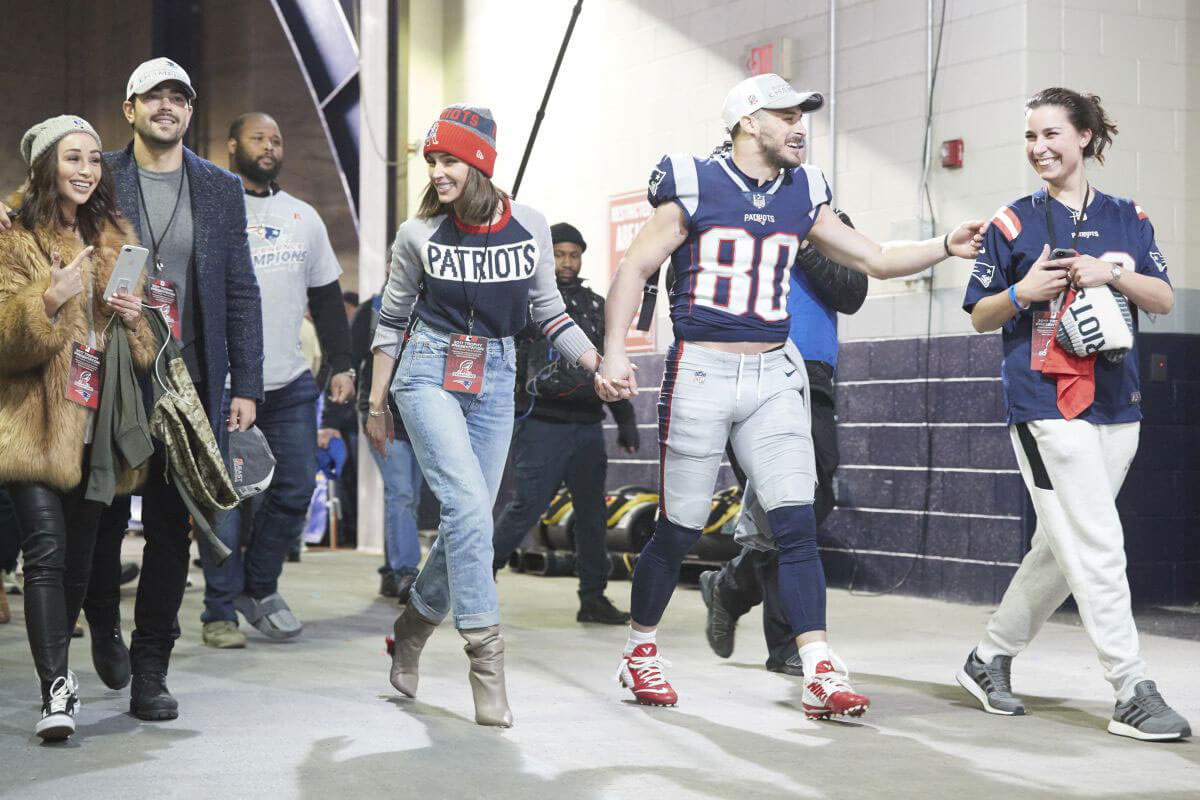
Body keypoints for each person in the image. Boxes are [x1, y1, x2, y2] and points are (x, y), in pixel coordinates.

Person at [598, 73, 984, 717]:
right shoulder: (695, 180)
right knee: (679, 527)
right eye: (786, 114)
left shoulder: (804, 191)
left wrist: (945, 246)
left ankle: (819, 669)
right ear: (750, 121)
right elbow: (635, 267)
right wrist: (614, 348)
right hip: (701, 369)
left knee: (797, 523)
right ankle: (640, 651)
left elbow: (875, 260)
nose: (801, 125)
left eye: (803, 114)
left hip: (777, 374)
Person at [956, 87, 1188, 741]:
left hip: (1118, 404)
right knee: (1097, 543)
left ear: (1084, 137)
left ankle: (988, 657)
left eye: (1052, 134)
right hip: (1043, 403)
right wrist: (1020, 291)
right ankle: (1131, 687)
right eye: (1030, 137)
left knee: (1061, 550)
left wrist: (1108, 275)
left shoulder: (1128, 217)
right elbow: (979, 314)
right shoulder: (1011, 223)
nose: (1040, 148)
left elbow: (1164, 299)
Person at [365, 105, 603, 727]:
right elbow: (391, 321)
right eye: (433, 161)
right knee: (468, 508)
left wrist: (594, 361)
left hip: (495, 374)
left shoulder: (530, 226)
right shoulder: (418, 234)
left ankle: (413, 626)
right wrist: (375, 401)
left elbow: (549, 312)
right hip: (425, 371)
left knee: (469, 518)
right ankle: (486, 663)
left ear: (479, 165)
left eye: (450, 161)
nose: (438, 173)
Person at [84, 57, 265, 721]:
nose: (167, 107)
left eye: (179, 98)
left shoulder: (220, 187)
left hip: (183, 385)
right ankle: (103, 622)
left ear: (191, 112)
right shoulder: (97, 174)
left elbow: (240, 288)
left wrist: (245, 382)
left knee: (171, 530)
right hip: (109, 378)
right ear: (129, 108)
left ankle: (151, 668)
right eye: (153, 96)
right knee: (99, 520)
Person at [0, 115, 156, 739]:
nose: (88, 169)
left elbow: (144, 346)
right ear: (46, 166)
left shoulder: (118, 238)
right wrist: (45, 302)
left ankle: (83, 641)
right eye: (73, 158)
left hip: (97, 425)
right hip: (31, 427)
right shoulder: (14, 238)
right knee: (44, 552)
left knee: (80, 565)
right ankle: (55, 692)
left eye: (94, 158)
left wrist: (134, 316)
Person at [197, 112, 354, 649]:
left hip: (288, 383)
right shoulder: (211, 208)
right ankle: (218, 609)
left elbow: (328, 299)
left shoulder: (303, 217)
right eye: (258, 137)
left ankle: (257, 587)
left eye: (277, 139)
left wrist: (342, 362)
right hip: (220, 383)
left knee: (293, 489)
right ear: (232, 144)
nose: (269, 145)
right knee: (224, 499)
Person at [700, 208, 867, 674]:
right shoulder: (723, 214)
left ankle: (732, 584)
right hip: (747, 371)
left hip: (813, 375)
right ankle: (790, 645)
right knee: (785, 505)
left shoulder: (830, 221)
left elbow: (852, 293)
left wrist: (805, 241)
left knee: (816, 497)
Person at [491, 221, 640, 625]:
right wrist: (510, 412)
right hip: (540, 423)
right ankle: (479, 579)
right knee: (526, 507)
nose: (568, 262)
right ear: (547, 257)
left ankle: (593, 598)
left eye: (574, 255)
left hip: (588, 426)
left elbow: (610, 361)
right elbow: (511, 360)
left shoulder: (595, 304)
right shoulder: (529, 302)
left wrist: (625, 420)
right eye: (560, 254)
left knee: (592, 514)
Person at [354, 265, 425, 601]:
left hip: (421, 417)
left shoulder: (431, 309)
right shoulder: (371, 310)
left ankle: (390, 571)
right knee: (402, 493)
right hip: (382, 414)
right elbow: (348, 362)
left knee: (407, 494)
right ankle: (405, 573)